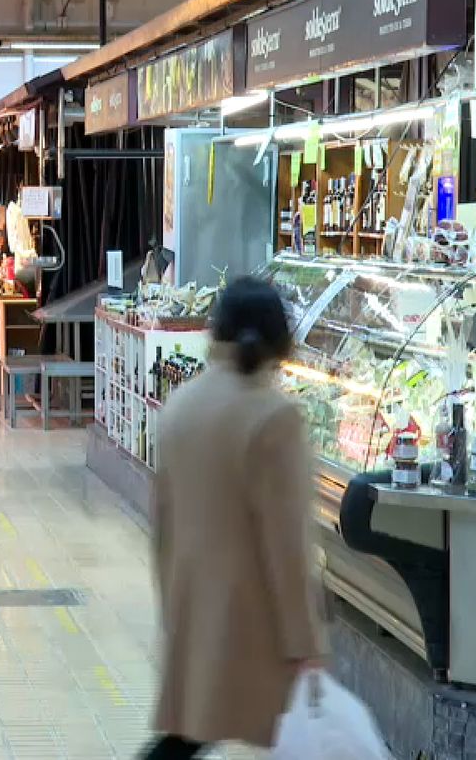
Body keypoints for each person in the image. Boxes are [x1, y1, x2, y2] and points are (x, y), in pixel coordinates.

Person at [147, 276, 326, 760]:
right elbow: (287, 545)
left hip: (193, 602)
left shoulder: (181, 404)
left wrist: (170, 601)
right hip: (248, 617)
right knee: (247, 733)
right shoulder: (275, 418)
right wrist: (305, 641)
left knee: (190, 733)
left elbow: (161, 522)